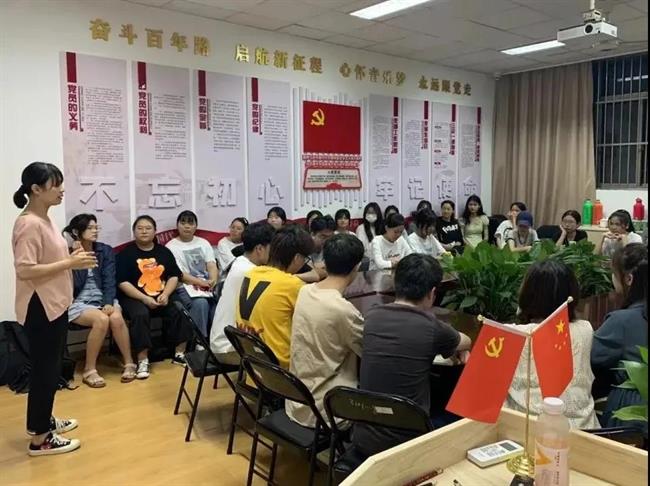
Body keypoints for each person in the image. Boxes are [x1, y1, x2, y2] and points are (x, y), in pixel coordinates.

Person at [13, 162, 96, 456]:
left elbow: (48, 260)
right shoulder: (29, 224)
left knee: (49, 369)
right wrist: (70, 262)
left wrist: (71, 258)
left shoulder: (44, 218)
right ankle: (40, 439)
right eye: (55, 184)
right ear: (36, 189)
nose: (62, 190)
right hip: (41, 306)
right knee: (45, 372)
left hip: (54, 303)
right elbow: (25, 269)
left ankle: (43, 422)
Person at [353, 254, 472, 456]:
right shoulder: (431, 327)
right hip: (406, 442)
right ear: (432, 293)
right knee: (457, 412)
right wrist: (460, 348)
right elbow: (466, 341)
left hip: (363, 435)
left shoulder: (372, 316)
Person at [505, 260, 600, 429]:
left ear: (526, 294)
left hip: (526, 433)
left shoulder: (510, 335)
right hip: (585, 430)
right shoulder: (585, 329)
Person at [287, 234, 365, 427]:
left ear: (325, 263)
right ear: (356, 267)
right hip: (328, 411)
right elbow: (369, 351)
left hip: (297, 402)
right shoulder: (342, 310)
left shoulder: (305, 291)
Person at [63, 214, 135, 388]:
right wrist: (77, 255)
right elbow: (70, 284)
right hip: (78, 301)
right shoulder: (68, 253)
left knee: (116, 317)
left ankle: (129, 363)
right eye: (90, 228)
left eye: (96, 227)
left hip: (103, 298)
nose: (95, 231)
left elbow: (110, 279)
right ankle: (89, 370)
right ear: (76, 232)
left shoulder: (105, 250)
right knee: (101, 319)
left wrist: (108, 302)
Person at [116, 215, 191, 380]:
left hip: (161, 295)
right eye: (140, 228)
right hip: (134, 297)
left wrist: (166, 294)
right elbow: (122, 283)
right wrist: (144, 298)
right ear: (134, 231)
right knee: (140, 314)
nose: (144, 231)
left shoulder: (163, 252)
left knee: (180, 309)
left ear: (155, 231)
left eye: (148, 228)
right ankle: (142, 359)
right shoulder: (125, 254)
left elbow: (174, 276)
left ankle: (180, 353)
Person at [236, 225, 314, 369]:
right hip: (282, 370)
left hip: (253, 365)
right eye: (305, 258)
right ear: (297, 258)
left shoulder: (251, 273)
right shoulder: (292, 284)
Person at [591, 244, 648, 432]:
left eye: (614, 273)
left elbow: (590, 359)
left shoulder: (622, 321)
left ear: (628, 278)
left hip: (632, 413)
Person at [210, 222, 275, 354]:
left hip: (222, 340)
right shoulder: (251, 272)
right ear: (259, 249)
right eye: (272, 248)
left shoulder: (240, 262)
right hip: (230, 347)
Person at [166, 211, 218, 338]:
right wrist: (200, 283)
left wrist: (213, 279)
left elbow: (211, 264)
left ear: (196, 226)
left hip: (206, 285)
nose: (187, 226)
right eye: (183, 223)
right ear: (177, 225)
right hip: (184, 287)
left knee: (218, 303)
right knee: (201, 303)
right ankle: (199, 342)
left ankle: (217, 340)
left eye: (190, 223)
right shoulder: (171, 247)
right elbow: (180, 274)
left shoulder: (203, 243)